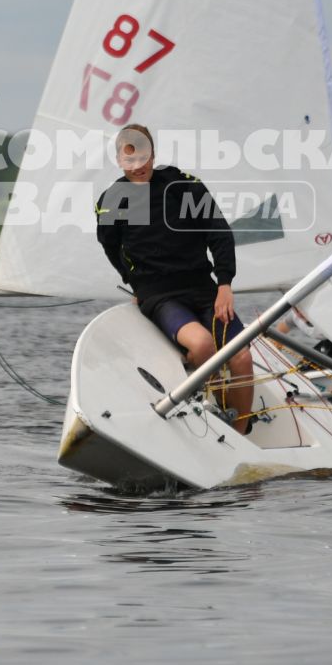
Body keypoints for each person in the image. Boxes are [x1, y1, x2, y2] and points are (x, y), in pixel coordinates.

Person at [95, 124, 256, 433]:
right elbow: (111, 247)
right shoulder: (114, 199)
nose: (138, 166)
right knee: (203, 345)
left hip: (204, 288)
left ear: (152, 154)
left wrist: (225, 284)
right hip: (160, 295)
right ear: (119, 159)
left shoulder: (183, 186)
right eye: (130, 160)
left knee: (242, 358)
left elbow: (219, 234)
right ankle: (214, 412)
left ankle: (241, 430)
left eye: (143, 157)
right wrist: (135, 284)